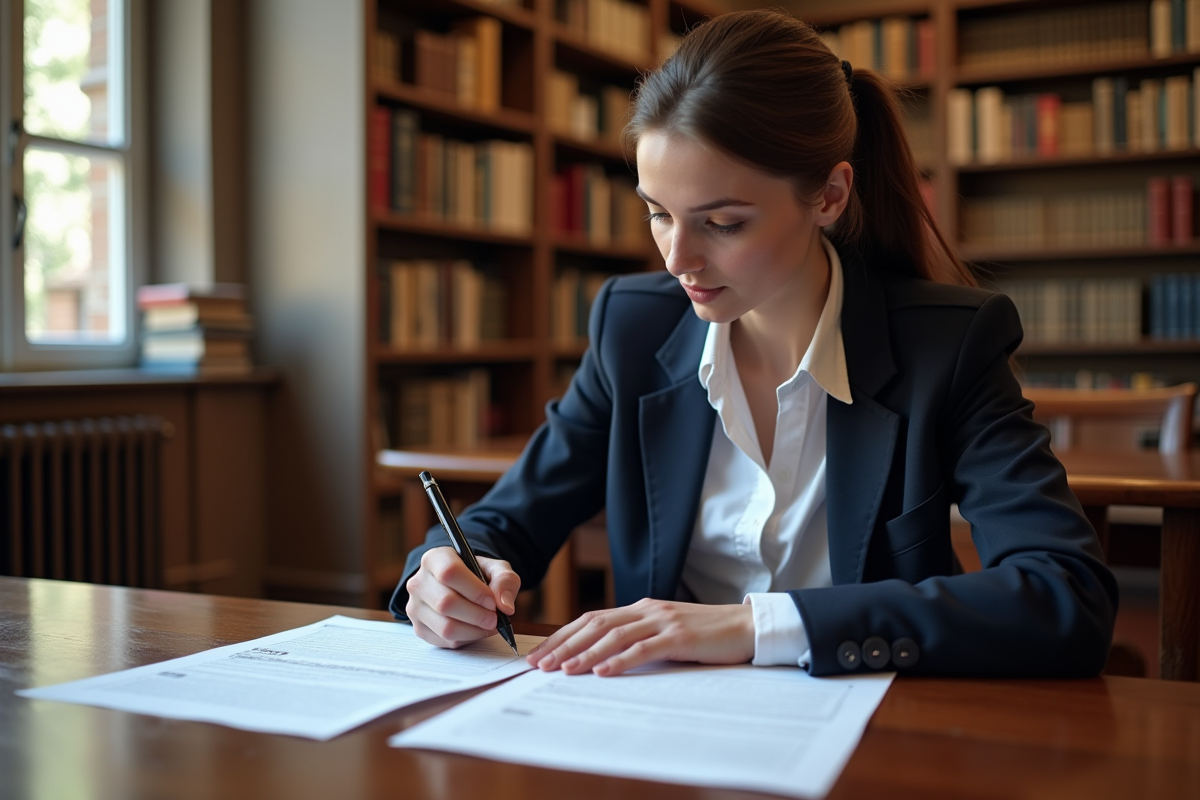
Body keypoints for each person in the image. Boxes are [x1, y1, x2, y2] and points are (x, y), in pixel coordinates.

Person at [390, 9, 1117, 678]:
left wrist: (757, 626)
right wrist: (443, 575)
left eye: (723, 223)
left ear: (829, 196)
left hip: (870, 732)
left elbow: (1066, 592)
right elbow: (503, 521)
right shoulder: (632, 329)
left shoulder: (949, 346)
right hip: (661, 723)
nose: (677, 260)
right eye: (658, 214)